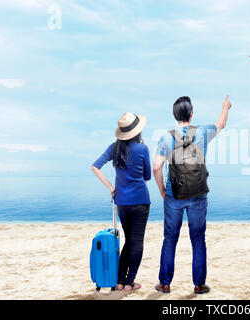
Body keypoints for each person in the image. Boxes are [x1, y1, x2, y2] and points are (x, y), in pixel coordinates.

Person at [153, 95, 232, 294]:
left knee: (170, 239)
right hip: (198, 195)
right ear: (191, 113)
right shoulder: (203, 132)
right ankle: (198, 285)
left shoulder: (165, 137)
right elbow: (221, 124)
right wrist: (225, 107)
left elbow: (156, 167)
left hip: (174, 196)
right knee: (198, 239)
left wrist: (163, 190)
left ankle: (165, 283)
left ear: (174, 115)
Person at [91, 112, 151, 292]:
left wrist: (111, 187)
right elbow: (147, 176)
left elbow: (95, 166)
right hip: (140, 201)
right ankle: (129, 282)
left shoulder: (114, 148)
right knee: (137, 242)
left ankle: (119, 281)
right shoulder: (143, 149)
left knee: (128, 241)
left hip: (122, 203)